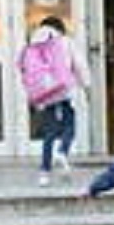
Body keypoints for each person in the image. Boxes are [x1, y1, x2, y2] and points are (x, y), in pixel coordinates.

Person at [21, 16, 91, 186]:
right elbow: (80, 65)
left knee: (49, 132)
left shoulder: (33, 45)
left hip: (46, 94)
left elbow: (26, 70)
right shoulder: (66, 42)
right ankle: (63, 151)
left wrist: (33, 95)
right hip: (64, 90)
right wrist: (87, 86)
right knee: (69, 125)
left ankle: (44, 173)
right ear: (60, 28)